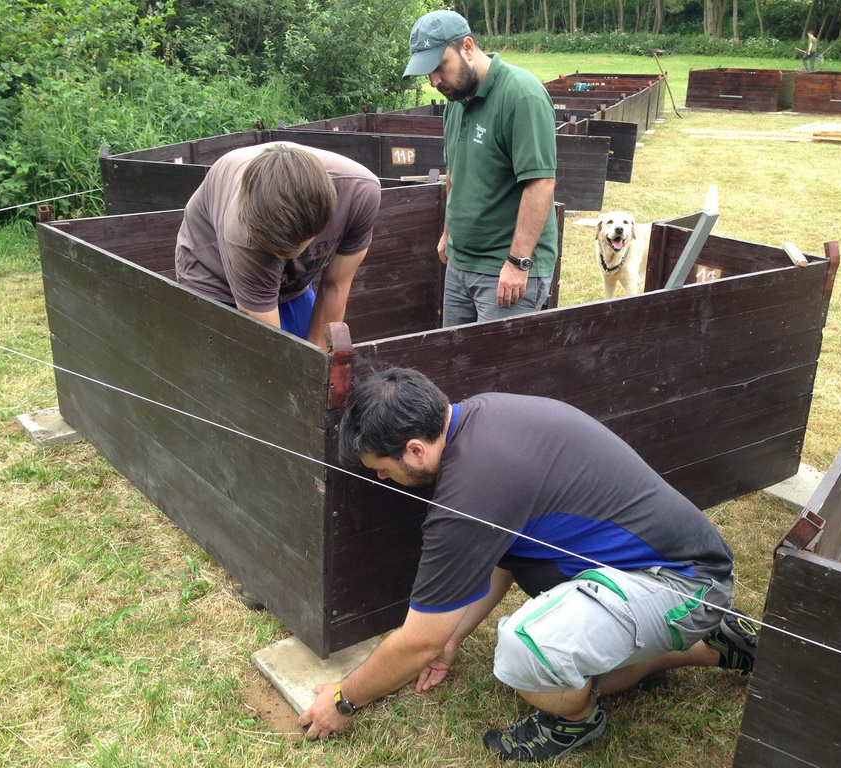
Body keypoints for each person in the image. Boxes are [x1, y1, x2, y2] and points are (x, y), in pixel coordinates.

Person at [298, 367, 760, 762]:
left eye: (382, 468)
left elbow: (419, 641)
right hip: (660, 570)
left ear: (415, 450)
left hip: (682, 582)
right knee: (591, 673)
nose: (382, 478)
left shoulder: (472, 491)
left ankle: (577, 722)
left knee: (528, 652)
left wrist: (343, 700)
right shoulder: (482, 418)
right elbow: (505, 558)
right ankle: (712, 644)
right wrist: (453, 638)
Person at [401, 11, 558, 327]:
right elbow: (454, 172)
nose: (434, 81)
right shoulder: (455, 103)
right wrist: (448, 233)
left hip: (504, 271)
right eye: (427, 73)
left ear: (468, 47)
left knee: (495, 360)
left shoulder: (521, 94)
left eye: (439, 67)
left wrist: (518, 262)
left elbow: (540, 183)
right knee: (453, 356)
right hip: (460, 264)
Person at [175, 142, 381, 348]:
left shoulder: (360, 194)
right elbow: (271, 349)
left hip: (292, 282)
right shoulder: (241, 232)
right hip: (215, 276)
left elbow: (336, 285)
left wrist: (321, 361)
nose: (285, 259)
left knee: (312, 352)